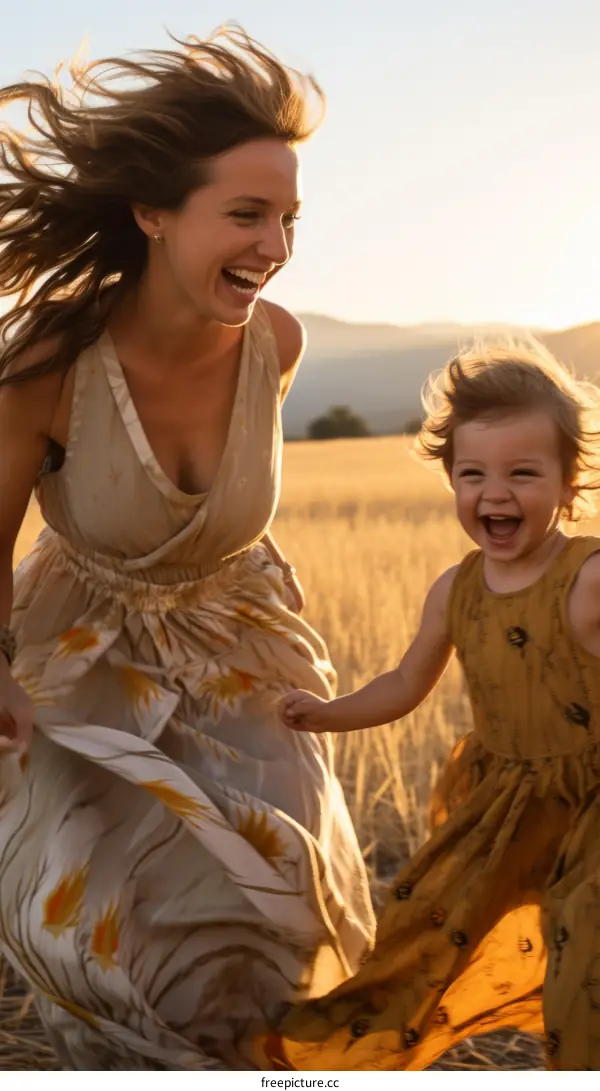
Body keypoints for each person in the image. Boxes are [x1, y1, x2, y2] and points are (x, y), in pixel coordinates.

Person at [0, 27, 375, 1071]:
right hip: (84, 655)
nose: (276, 246)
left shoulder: (278, 343)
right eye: (247, 214)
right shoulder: (50, 359)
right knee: (96, 935)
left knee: (284, 910)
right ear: (153, 212)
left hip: (241, 648)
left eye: (291, 218)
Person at [272, 339, 600, 1071]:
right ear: (451, 479)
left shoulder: (588, 576)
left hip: (596, 795)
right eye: (473, 473)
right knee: (424, 926)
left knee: (586, 941)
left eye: (524, 473)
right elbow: (402, 683)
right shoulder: (456, 591)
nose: (495, 493)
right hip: (509, 800)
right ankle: (317, 1053)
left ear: (569, 482)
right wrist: (326, 712)